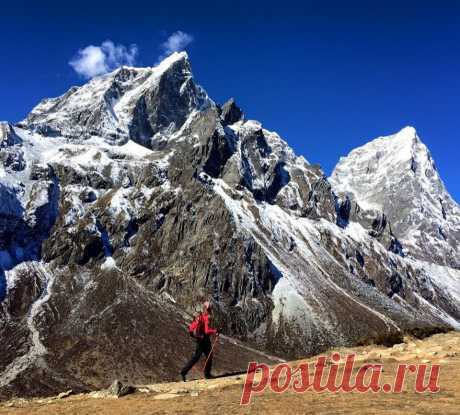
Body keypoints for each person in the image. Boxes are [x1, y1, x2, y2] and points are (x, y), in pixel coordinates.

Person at [181, 301, 219, 381]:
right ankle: (207, 374)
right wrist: (215, 331)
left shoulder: (201, 316)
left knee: (196, 357)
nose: (210, 310)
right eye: (210, 308)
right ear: (209, 309)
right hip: (204, 339)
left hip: (199, 338)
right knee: (208, 356)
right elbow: (207, 331)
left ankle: (184, 372)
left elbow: (194, 329)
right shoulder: (207, 317)